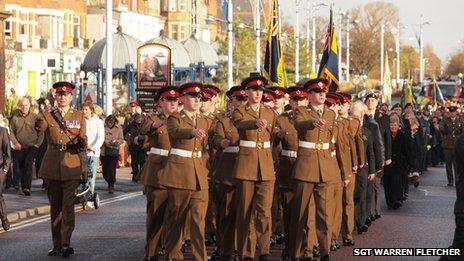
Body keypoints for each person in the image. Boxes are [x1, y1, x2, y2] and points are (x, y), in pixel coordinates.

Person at [288, 78, 350, 261]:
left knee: (324, 214)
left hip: (325, 168)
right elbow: (298, 124)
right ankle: (296, 253)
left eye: (324, 92)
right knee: (300, 214)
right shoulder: (301, 111)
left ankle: (324, 252)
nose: (322, 95)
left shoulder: (331, 114)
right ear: (310, 95)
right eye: (318, 92)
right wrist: (312, 123)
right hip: (306, 168)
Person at [159, 82, 211, 260]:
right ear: (183, 99)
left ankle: (200, 257)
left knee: (198, 220)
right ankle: (172, 254)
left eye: (199, 98)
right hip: (179, 175)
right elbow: (175, 132)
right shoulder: (175, 118)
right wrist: (192, 132)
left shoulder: (205, 119)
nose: (197, 100)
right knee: (177, 218)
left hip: (199, 175)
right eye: (192, 97)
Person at [35, 81, 87, 257]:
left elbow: (83, 140)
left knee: (68, 207)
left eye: (65, 95)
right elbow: (39, 128)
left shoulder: (78, 116)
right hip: (51, 166)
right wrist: (40, 118)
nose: (62, 97)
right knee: (55, 208)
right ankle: (56, 244)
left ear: (71, 97)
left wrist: (82, 144)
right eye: (59, 95)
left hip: (71, 165)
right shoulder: (48, 115)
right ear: (55, 97)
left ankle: (66, 243)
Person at [232, 75, 277, 260]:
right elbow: (239, 124)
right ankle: (246, 252)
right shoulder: (239, 111)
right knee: (245, 212)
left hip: (265, 166)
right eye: (254, 90)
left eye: (260, 90)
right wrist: (254, 123)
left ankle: (264, 250)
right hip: (246, 166)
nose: (258, 93)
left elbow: (273, 138)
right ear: (247, 92)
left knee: (264, 211)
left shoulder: (270, 112)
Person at [138, 86, 179, 261]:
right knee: (156, 215)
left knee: (176, 217)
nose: (173, 103)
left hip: (179, 172)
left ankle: (172, 252)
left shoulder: (183, 120)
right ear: (160, 103)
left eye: (175, 100)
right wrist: (154, 125)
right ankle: (152, 252)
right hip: (158, 173)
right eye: (168, 100)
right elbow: (143, 129)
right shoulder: (152, 118)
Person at [211, 85, 247, 260]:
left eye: (243, 99)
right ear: (230, 101)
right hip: (228, 172)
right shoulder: (223, 121)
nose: (241, 102)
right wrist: (221, 142)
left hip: (249, 170)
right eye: (237, 99)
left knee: (246, 213)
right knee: (226, 213)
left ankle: (243, 250)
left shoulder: (253, 118)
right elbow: (216, 138)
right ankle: (225, 249)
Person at [274, 86, 308, 259]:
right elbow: (272, 143)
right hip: (288, 170)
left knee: (305, 213)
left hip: (308, 169)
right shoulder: (282, 119)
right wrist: (277, 136)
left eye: (301, 99)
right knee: (288, 213)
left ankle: (304, 249)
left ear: (307, 101)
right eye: (294, 99)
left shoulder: (314, 118)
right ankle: (289, 248)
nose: (297, 103)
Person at [9, 96, 44, 194]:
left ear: (30, 106)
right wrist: (15, 142)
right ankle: (24, 187)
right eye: (22, 105)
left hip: (32, 146)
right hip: (19, 147)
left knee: (28, 164)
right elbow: (11, 131)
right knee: (21, 167)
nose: (24, 107)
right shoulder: (15, 118)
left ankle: (27, 188)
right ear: (20, 106)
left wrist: (37, 144)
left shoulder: (35, 117)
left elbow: (41, 132)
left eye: (26, 105)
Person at [383, 115, 412, 209]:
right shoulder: (385, 135)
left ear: (398, 125)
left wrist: (409, 163)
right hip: (387, 164)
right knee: (387, 184)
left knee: (397, 183)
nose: (393, 127)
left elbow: (408, 150)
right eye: (391, 125)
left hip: (399, 164)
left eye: (395, 125)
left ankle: (397, 200)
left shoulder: (403, 135)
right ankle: (389, 201)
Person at [82, 102, 105, 197]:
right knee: (81, 175)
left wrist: (94, 147)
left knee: (91, 176)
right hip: (81, 152)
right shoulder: (80, 120)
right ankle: (80, 194)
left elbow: (101, 137)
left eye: (86, 109)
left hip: (93, 153)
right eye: (82, 109)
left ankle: (90, 195)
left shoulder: (98, 121)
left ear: (91, 110)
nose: (84, 111)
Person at [440, 106, 464, 186]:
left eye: (453, 112)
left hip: (458, 146)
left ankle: (457, 180)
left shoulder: (460, 120)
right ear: (449, 113)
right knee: (448, 164)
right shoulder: (445, 120)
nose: (452, 113)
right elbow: (441, 127)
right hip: (447, 145)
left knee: (457, 164)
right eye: (451, 112)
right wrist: (444, 130)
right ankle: (450, 180)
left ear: (456, 112)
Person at [101, 115, 124, 194]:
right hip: (104, 151)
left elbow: (121, 139)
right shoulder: (103, 127)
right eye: (108, 122)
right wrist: (105, 141)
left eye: (111, 122)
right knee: (105, 170)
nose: (110, 124)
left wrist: (115, 143)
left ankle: (111, 185)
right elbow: (100, 136)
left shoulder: (119, 128)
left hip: (113, 151)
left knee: (112, 169)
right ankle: (108, 180)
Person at [0, 125, 11, 231]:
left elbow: (7, 154)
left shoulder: (2, 131)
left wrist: (4, 170)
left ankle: (4, 218)